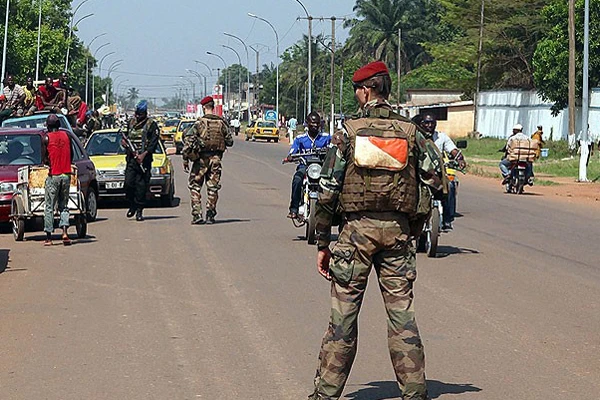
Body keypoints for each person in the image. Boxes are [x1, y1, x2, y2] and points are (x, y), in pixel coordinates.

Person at [307, 61, 444, 400]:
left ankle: (326, 394)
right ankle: (414, 392)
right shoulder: (411, 131)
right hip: (398, 235)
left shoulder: (349, 132)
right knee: (402, 318)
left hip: (355, 235)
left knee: (343, 321)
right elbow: (436, 178)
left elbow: (326, 191)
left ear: (366, 90)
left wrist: (323, 241)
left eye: (357, 90)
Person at [182, 96, 233, 225]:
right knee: (213, 188)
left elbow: (188, 141)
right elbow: (230, 141)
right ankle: (210, 214)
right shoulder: (222, 123)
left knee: (195, 186)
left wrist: (186, 158)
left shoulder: (199, 124)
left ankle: (197, 214)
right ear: (213, 107)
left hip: (200, 161)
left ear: (204, 107)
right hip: (216, 160)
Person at [419, 113, 466, 230]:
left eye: (432, 123)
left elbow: (453, 150)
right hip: (419, 173)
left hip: (437, 174)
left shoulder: (442, 137)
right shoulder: (417, 136)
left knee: (450, 185)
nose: (430, 125)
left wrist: (460, 159)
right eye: (427, 123)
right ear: (421, 124)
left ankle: (447, 219)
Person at [285, 111, 330, 219]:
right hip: (304, 166)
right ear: (307, 124)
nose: (315, 126)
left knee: (334, 184)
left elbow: (333, 148)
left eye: (317, 124)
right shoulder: (300, 139)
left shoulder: (326, 137)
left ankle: (332, 211)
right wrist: (291, 156)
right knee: (297, 180)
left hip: (321, 167)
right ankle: (294, 209)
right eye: (312, 124)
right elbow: (293, 151)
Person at [123, 100, 160, 221]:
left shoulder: (151, 125)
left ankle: (139, 210)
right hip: (131, 159)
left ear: (145, 113)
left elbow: (153, 143)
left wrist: (143, 155)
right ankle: (132, 205)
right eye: (136, 113)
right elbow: (125, 136)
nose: (137, 116)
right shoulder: (131, 123)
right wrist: (124, 143)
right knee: (128, 184)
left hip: (144, 161)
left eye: (140, 114)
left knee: (141, 187)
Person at [42, 114, 73, 246]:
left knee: (49, 206)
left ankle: (49, 237)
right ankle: (65, 232)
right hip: (66, 174)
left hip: (54, 174)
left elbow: (44, 159)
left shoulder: (46, 138)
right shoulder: (67, 136)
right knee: (64, 205)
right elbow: (71, 155)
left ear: (48, 126)